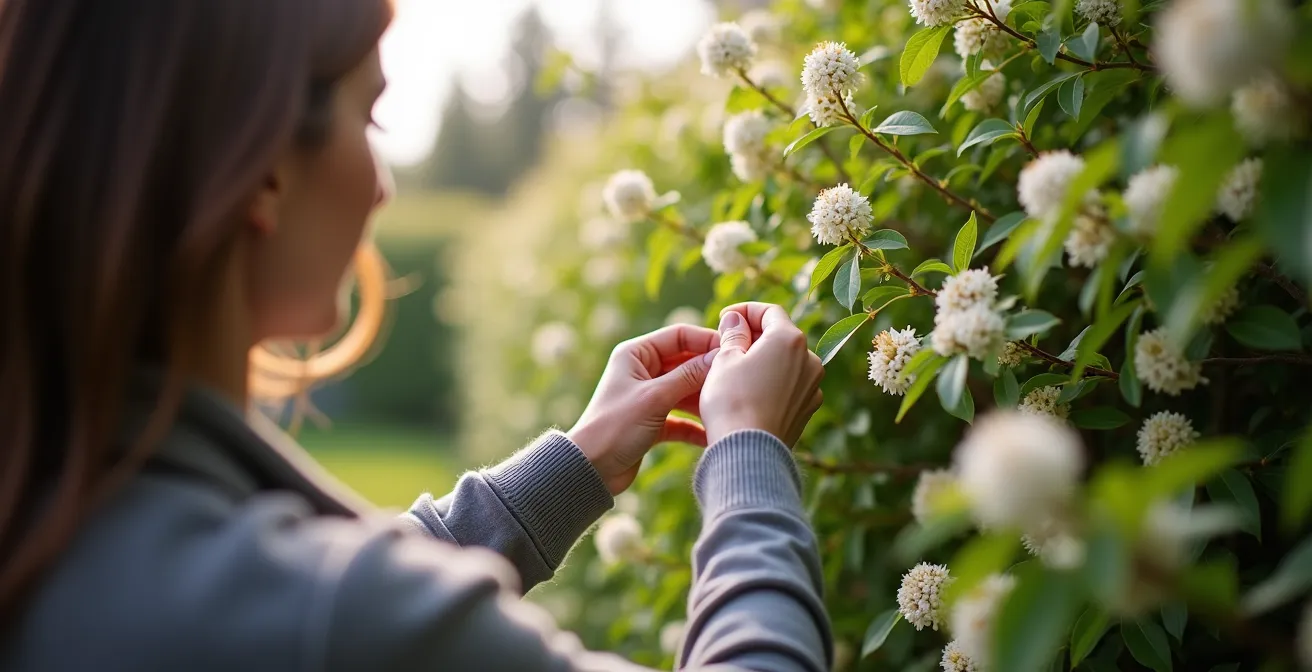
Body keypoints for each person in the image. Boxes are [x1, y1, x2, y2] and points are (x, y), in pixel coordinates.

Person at [0, 2, 831, 670]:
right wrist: (749, 456)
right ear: (262, 170)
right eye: (373, 117)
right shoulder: (315, 613)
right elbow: (343, 615)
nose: (384, 188)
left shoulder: (61, 510)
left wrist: (580, 461)